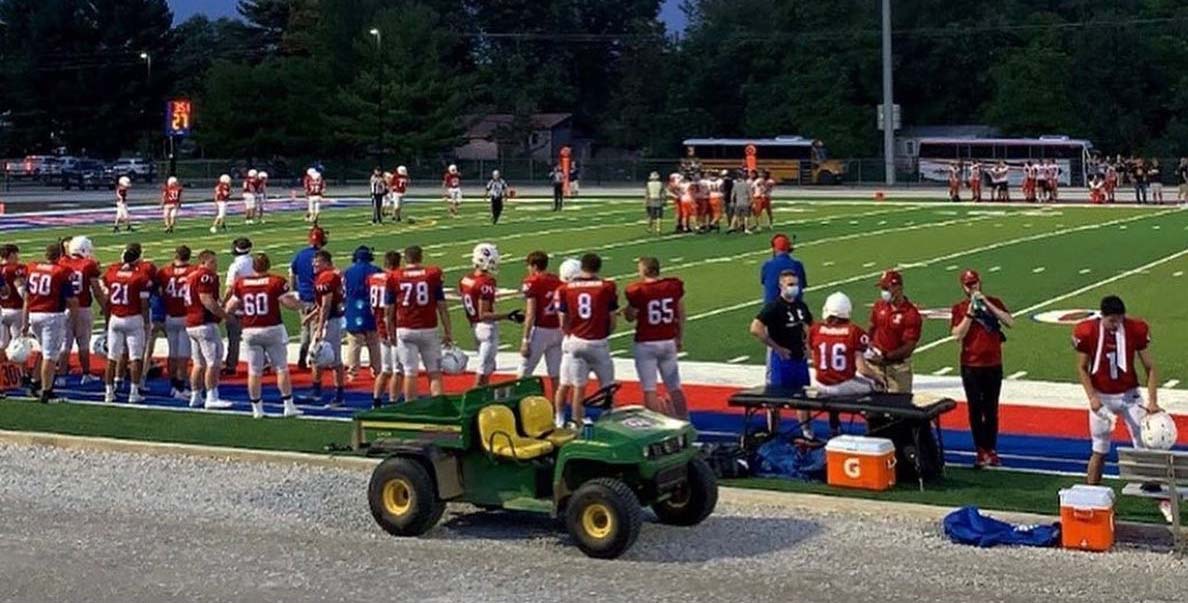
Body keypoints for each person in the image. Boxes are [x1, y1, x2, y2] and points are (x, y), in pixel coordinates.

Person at [1073, 295, 1162, 486]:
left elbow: (1150, 367)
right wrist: (1092, 397)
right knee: (1099, 448)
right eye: (1112, 320)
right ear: (1102, 316)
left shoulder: (1134, 329)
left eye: (1119, 320)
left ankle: (1158, 494)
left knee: (1146, 444)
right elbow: (1082, 367)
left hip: (1129, 394)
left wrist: (1152, 400)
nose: (1116, 325)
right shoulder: (1088, 331)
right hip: (1102, 395)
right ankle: (1091, 493)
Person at [224, 253, 303, 419]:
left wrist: (226, 315)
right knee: (281, 368)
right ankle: (288, 406)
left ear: (253, 266)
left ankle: (257, 409)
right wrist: (301, 305)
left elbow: (230, 306)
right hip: (272, 328)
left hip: (250, 330)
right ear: (268, 265)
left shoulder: (242, 283)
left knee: (254, 371)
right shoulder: (276, 281)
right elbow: (287, 303)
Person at [950, 269, 1013, 468]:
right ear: (963, 287)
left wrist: (986, 303)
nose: (972, 287)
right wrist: (970, 312)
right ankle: (980, 449)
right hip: (971, 364)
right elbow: (957, 334)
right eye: (969, 285)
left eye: (974, 283)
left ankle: (992, 449)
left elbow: (1009, 321)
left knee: (991, 408)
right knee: (975, 409)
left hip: (993, 363)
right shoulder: (960, 308)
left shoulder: (993, 301)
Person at [555, 253, 618, 424]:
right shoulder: (607, 286)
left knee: (578, 387)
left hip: (575, 341)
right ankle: (610, 422)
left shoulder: (566, 289)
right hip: (597, 342)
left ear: (581, 267)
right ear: (598, 267)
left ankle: (576, 422)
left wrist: (571, 333)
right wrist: (606, 333)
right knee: (607, 387)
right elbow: (612, 318)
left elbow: (563, 320)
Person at [749, 269, 812, 435]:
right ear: (781, 286)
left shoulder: (800, 305)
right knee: (775, 397)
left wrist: (808, 345)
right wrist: (776, 347)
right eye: (790, 284)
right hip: (781, 360)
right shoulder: (774, 307)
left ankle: (805, 429)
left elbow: (809, 325)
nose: (794, 288)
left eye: (796, 284)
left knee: (802, 396)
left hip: (799, 357)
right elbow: (756, 328)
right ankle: (773, 432)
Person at [624, 257, 687, 418]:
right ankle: (685, 420)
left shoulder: (637, 290)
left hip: (646, 342)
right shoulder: (672, 286)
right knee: (674, 387)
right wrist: (679, 337)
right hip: (667, 341)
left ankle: (655, 427)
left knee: (649, 389)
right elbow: (680, 314)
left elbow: (630, 316)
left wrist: (627, 311)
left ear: (645, 270)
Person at [392, 245, 453, 401]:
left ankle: (410, 407)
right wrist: (448, 331)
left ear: (405, 259)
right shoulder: (431, 274)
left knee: (410, 372)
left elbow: (388, 311)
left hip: (405, 328)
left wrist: (390, 332)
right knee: (434, 372)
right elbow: (442, 306)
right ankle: (438, 406)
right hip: (428, 329)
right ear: (421, 257)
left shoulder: (396, 276)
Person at [22, 243, 79, 403]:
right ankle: (47, 391)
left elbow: (27, 298)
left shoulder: (33, 268)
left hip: (34, 314)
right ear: (60, 256)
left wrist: (24, 321)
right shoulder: (60, 272)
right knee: (50, 355)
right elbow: (71, 300)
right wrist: (73, 319)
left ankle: (35, 383)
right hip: (51, 316)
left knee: (43, 350)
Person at [459, 243, 519, 387]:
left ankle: (482, 398)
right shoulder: (486, 282)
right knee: (483, 372)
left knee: (487, 367)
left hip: (474, 327)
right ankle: (474, 402)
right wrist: (508, 316)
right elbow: (484, 314)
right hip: (486, 328)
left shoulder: (465, 280)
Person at [100, 245, 152, 404]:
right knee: (136, 357)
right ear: (138, 259)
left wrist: (107, 319)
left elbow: (107, 299)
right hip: (133, 318)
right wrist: (146, 321)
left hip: (115, 318)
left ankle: (109, 392)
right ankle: (134, 392)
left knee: (112, 357)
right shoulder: (140, 276)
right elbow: (144, 303)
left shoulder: (112, 273)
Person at [809, 292, 884, 397]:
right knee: (875, 385)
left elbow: (815, 359)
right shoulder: (853, 331)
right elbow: (862, 369)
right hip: (843, 385)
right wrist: (877, 378)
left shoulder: (815, 330)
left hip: (820, 384)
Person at [185, 249, 230, 409]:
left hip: (191, 323)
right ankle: (212, 396)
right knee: (213, 361)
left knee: (198, 363)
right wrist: (224, 315)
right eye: (213, 262)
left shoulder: (191, 276)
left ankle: (196, 396)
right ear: (203, 262)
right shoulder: (205, 276)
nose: (215, 265)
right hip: (204, 323)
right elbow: (206, 300)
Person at [518, 251, 564, 399]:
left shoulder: (532, 282)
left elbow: (531, 313)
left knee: (523, 373)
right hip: (557, 330)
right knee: (556, 375)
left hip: (540, 331)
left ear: (535, 266)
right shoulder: (558, 281)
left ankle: (518, 407)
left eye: (529, 266)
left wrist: (525, 340)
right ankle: (559, 412)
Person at [867, 270, 922, 393]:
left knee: (900, 407)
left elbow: (909, 346)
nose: (883, 292)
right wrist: (869, 347)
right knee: (874, 407)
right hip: (876, 367)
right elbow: (872, 328)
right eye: (882, 288)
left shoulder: (910, 313)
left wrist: (886, 357)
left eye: (886, 288)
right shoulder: (879, 306)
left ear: (898, 287)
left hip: (898, 368)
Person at [59, 236, 102, 385]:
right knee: (83, 343)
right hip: (83, 307)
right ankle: (86, 373)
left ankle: (61, 376)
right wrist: (105, 306)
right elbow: (96, 290)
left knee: (65, 344)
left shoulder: (62, 262)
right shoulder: (88, 264)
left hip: (65, 308)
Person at [307, 250, 346, 407]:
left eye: (317, 262)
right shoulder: (331, 275)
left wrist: (319, 327)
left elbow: (327, 304)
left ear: (326, 262)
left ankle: (339, 395)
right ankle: (316, 390)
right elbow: (323, 304)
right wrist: (311, 316)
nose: (314, 265)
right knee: (316, 356)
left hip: (331, 321)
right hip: (330, 319)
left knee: (334, 359)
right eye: (313, 262)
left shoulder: (328, 277)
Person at [157, 246, 195, 399]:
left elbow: (158, 291)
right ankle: (180, 386)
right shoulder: (194, 270)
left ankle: (173, 384)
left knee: (172, 353)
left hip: (170, 316)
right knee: (184, 355)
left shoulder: (164, 271)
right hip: (185, 315)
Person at [369, 250, 403, 408]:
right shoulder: (394, 279)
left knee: (386, 369)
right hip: (392, 325)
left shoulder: (373, 279)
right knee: (397, 369)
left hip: (379, 323)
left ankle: (376, 400)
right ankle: (393, 402)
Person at [343, 245, 382, 381]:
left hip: (353, 309)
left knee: (354, 344)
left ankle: (352, 372)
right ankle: (377, 370)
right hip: (371, 310)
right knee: (374, 343)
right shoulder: (376, 271)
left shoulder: (348, 272)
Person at [290, 227, 325, 371]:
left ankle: (302, 357)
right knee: (316, 330)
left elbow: (293, 273)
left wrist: (295, 291)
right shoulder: (321, 257)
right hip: (317, 296)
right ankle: (313, 359)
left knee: (305, 329)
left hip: (303, 296)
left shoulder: (301, 255)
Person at [222, 238, 255, 376]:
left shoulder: (235, 266)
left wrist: (224, 303)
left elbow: (230, 288)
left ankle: (231, 365)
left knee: (234, 337)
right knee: (254, 336)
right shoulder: (253, 262)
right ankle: (263, 362)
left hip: (238, 303)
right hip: (252, 302)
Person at [760, 233, 806, 303]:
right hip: (793, 306)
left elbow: (764, 282)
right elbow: (802, 285)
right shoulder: (797, 265)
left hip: (771, 308)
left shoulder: (767, 265)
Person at [0, 245, 27, 356]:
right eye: (16, 254)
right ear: (11, 254)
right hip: (17, 309)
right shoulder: (16, 269)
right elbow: (22, 291)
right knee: (19, 344)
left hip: (2, 310)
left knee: (2, 344)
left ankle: (2, 369)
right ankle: (21, 372)